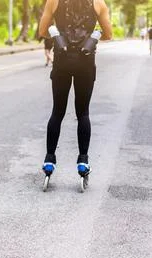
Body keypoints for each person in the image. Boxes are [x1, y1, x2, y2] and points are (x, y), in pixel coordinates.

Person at [39, 0, 112, 180]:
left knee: (57, 113)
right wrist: (92, 36)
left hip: (62, 62)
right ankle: (83, 161)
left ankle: (49, 160)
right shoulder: (99, 4)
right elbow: (108, 34)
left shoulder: (53, 2)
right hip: (85, 64)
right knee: (83, 114)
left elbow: (42, 31)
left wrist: (56, 33)